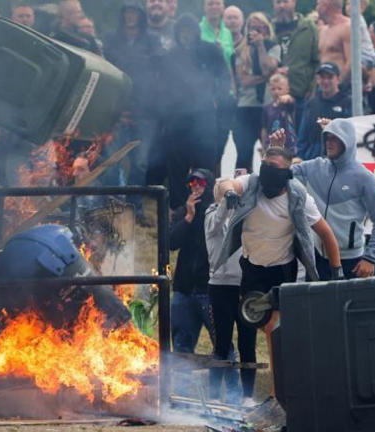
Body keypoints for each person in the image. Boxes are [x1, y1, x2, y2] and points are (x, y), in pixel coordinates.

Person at [213, 146, 342, 404]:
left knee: (276, 329)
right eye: (266, 165)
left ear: (287, 173)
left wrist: (336, 273)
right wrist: (227, 192)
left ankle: (278, 393)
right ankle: (250, 395)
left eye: (275, 167)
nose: (268, 172)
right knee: (248, 328)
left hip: (282, 269)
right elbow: (224, 185)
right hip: (252, 267)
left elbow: (327, 234)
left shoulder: (298, 197)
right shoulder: (252, 184)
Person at [276, 118, 375, 279]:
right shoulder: (314, 167)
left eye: (335, 138)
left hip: (352, 262)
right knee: (316, 304)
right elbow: (279, 174)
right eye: (327, 138)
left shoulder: (364, 177)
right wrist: (276, 149)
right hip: (317, 258)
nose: (329, 143)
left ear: (347, 142)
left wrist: (370, 258)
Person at [170, 169, 238, 398]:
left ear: (208, 185)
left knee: (223, 344)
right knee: (181, 347)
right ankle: (182, 397)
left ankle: (232, 395)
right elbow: (170, 243)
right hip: (183, 290)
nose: (195, 187)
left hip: (210, 289)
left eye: (200, 182)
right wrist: (188, 217)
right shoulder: (183, 211)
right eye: (191, 183)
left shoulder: (217, 212)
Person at [157, 14, 230, 208]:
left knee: (205, 167)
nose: (186, 36)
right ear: (177, 33)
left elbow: (224, 77)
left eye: (190, 32)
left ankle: (206, 208)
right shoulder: (170, 56)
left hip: (204, 118)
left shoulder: (210, 50)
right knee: (176, 169)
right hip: (176, 121)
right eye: (183, 32)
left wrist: (218, 99)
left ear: (196, 33)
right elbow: (161, 87)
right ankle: (178, 210)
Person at [103, 0, 162, 220]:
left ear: (140, 16)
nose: (131, 17)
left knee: (140, 162)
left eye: (134, 13)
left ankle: (135, 207)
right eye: (127, 13)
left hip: (145, 109)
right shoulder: (110, 39)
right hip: (115, 108)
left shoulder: (152, 40)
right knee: (111, 161)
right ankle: (110, 207)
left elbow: (158, 74)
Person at [205, 177, 246, 403]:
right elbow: (219, 221)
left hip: (243, 285)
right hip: (220, 286)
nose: (231, 196)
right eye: (225, 192)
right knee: (222, 343)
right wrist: (225, 201)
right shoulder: (211, 213)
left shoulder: (242, 214)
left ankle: (242, 395)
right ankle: (213, 396)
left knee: (245, 342)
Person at [232, 13, 280, 171]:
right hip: (245, 107)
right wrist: (267, 76)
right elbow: (244, 80)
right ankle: (241, 190)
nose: (256, 31)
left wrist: (260, 47)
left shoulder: (273, 46)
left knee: (271, 152)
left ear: (266, 28)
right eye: (252, 28)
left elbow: (268, 67)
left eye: (260, 28)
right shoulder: (240, 51)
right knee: (243, 154)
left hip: (267, 106)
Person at [272, 0, 320, 128]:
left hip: (301, 94)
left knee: (300, 140)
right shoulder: (269, 28)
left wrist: (312, 88)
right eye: (278, 2)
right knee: (276, 142)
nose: (281, 6)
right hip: (273, 97)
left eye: (285, 1)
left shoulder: (308, 27)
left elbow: (317, 60)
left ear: (294, 2)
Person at [296, 63, 351, 160]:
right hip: (313, 161)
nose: (325, 81)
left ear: (338, 79)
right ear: (317, 80)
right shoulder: (311, 104)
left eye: (330, 77)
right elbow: (302, 137)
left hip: (338, 162)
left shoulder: (348, 103)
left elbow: (352, 134)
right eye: (322, 77)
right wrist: (300, 157)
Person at [262, 74, 297, 156]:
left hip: (289, 145)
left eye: (279, 89)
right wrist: (264, 146)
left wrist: (288, 98)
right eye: (273, 89)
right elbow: (264, 128)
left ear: (287, 89)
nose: (276, 91)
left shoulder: (288, 105)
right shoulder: (267, 108)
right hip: (272, 145)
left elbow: (291, 101)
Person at [317, 0, 351, 76]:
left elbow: (351, 62)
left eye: (318, 4)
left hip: (341, 83)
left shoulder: (347, 27)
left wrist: (340, 84)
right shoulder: (322, 30)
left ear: (325, 6)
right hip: (324, 84)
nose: (316, 8)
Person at [200, 0, 234, 64]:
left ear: (223, 7)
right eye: (210, 4)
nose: (214, 7)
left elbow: (231, 62)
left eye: (218, 4)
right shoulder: (197, 31)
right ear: (204, 7)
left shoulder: (227, 33)